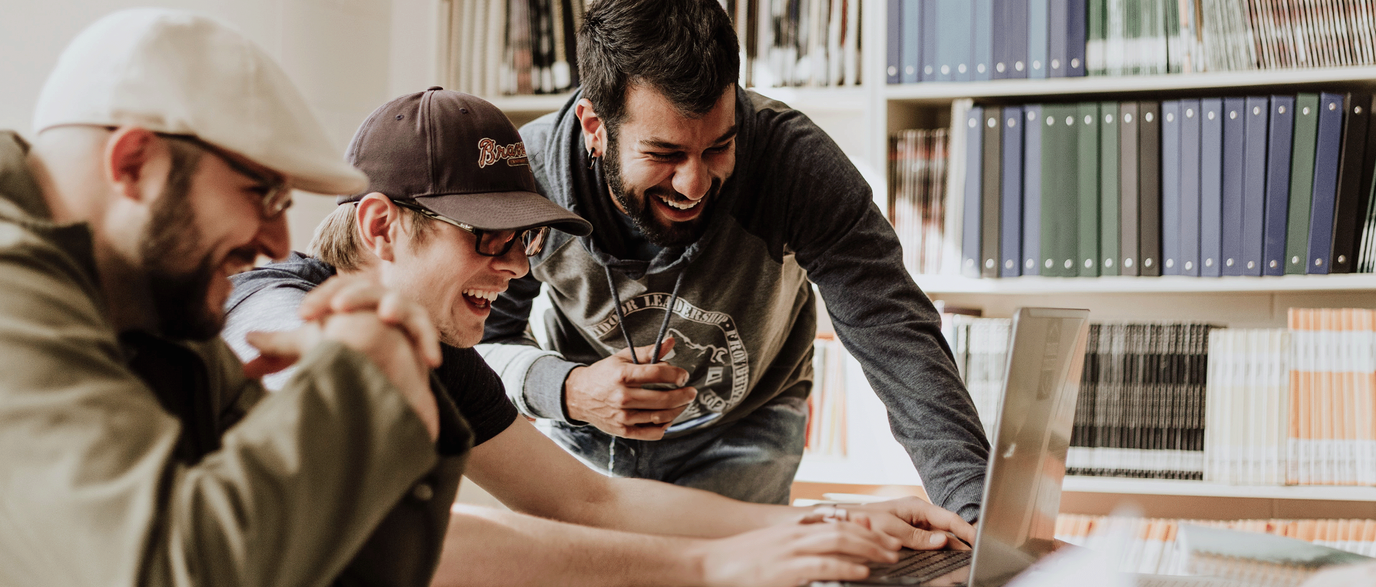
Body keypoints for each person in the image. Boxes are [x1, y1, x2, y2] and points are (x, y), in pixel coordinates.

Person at [0, 10, 461, 587]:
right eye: (263, 193)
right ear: (133, 162)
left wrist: (398, 392)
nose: (279, 241)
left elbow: (328, 566)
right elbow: (168, 571)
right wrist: (357, 382)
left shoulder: (150, 318)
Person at [224, 87, 976, 587]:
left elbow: (588, 501)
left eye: (524, 239)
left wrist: (833, 520)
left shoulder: (440, 351)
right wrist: (709, 565)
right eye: (489, 238)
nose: (518, 266)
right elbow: (406, 536)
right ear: (383, 227)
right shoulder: (272, 311)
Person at [476, 0, 992, 518]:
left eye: (719, 146)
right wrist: (567, 389)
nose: (694, 184)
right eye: (664, 154)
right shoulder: (529, 180)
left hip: (747, 426)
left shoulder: (794, 162)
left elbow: (894, 330)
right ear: (595, 127)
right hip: (587, 426)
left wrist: (973, 507)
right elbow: (477, 345)